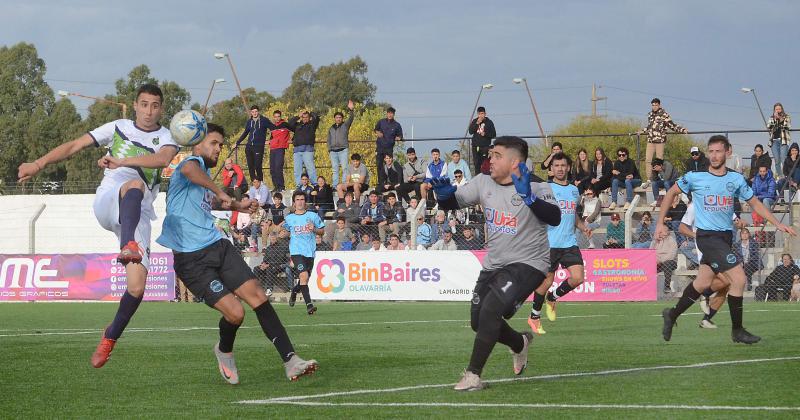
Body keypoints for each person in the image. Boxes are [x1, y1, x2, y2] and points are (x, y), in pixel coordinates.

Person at [17, 83, 178, 369]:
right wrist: (38, 164)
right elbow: (74, 145)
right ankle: (128, 244)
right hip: (109, 200)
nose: (149, 111)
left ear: (161, 109)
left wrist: (121, 160)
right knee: (134, 183)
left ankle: (110, 337)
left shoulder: (167, 136)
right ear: (136, 105)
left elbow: (163, 159)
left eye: (155, 105)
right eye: (144, 104)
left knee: (137, 287)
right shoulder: (118, 126)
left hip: (139, 213)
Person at [156, 123, 318, 383]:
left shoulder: (202, 178)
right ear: (197, 143)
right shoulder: (189, 166)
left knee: (257, 297)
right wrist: (220, 191)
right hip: (190, 259)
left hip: (217, 246)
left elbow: (217, 201)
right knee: (235, 313)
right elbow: (190, 169)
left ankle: (291, 360)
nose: (219, 149)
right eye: (214, 143)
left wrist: (240, 206)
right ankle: (224, 350)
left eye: (221, 144)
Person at [430, 135, 560, 391]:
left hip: (529, 263)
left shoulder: (536, 186)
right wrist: (442, 195)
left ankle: (473, 375)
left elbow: (554, 217)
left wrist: (529, 199)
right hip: (494, 263)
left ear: (515, 162)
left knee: (491, 311)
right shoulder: (483, 182)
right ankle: (520, 343)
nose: (490, 160)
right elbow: (452, 201)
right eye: (491, 155)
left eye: (497, 156)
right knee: (479, 322)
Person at [657, 135, 796, 345]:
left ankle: (672, 314)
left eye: (718, 151)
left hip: (724, 238)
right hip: (706, 237)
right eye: (710, 151)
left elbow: (756, 203)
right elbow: (671, 193)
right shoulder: (696, 177)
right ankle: (737, 330)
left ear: (727, 152)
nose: (713, 156)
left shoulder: (736, 180)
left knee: (703, 282)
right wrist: (660, 223)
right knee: (738, 279)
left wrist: (776, 223)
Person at [526, 152, 591, 335]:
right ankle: (534, 317)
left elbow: (573, 215)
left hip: (569, 242)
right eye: (556, 166)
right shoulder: (545, 188)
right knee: (547, 281)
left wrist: (582, 226)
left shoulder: (573, 190)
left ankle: (553, 297)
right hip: (549, 243)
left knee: (578, 278)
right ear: (551, 169)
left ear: (568, 167)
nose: (560, 168)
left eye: (563, 165)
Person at [284, 191, 326, 314]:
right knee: (304, 276)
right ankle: (309, 305)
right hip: (296, 252)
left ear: (305, 202)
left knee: (304, 280)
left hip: (310, 252)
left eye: (302, 199)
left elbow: (322, 231)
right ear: (294, 202)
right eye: (297, 200)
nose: (300, 202)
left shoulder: (312, 216)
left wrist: (315, 229)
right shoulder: (289, 218)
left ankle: (294, 291)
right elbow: (285, 231)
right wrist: (281, 233)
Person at [637, 97, 688, 187]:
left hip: (660, 141)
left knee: (659, 161)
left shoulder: (664, 114)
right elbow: (650, 127)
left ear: (659, 105)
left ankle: (660, 180)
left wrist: (682, 129)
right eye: (652, 105)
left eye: (656, 105)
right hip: (650, 140)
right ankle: (649, 179)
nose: (654, 107)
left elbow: (672, 125)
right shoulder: (650, 114)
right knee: (648, 160)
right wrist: (642, 131)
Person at [237, 105, 272, 182]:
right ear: (251, 113)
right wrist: (237, 142)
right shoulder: (249, 121)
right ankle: (254, 183)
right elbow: (245, 133)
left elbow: (273, 129)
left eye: (256, 111)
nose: (254, 113)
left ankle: (261, 183)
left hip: (258, 146)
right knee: (250, 166)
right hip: (249, 147)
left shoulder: (264, 120)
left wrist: (270, 140)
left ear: (258, 111)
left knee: (258, 166)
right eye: (253, 112)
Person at [286, 110, 320, 187]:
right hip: (297, 150)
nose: (305, 119)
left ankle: (315, 185)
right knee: (297, 170)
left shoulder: (312, 125)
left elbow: (317, 118)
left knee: (310, 168)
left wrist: (311, 112)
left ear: (309, 118)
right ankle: (299, 186)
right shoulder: (297, 125)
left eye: (306, 117)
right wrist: (298, 116)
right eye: (303, 117)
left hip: (307, 150)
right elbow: (289, 124)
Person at [327, 100, 355, 188]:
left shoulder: (345, 125)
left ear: (342, 118)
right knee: (335, 169)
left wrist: (351, 110)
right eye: (337, 117)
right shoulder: (331, 128)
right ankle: (335, 186)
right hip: (333, 151)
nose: (338, 119)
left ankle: (344, 184)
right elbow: (328, 139)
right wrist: (329, 149)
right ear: (334, 118)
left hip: (343, 150)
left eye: (340, 117)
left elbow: (351, 118)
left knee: (345, 168)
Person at [268, 110, 292, 193]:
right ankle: (276, 186)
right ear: (273, 117)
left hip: (280, 148)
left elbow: (295, 130)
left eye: (278, 116)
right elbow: (272, 137)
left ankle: (281, 186)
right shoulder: (272, 126)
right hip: (272, 148)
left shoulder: (285, 124)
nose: (277, 118)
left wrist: (292, 140)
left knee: (278, 167)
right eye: (275, 117)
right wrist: (269, 141)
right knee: (272, 169)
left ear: (280, 117)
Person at [374, 106, 403, 174]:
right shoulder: (381, 122)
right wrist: (378, 132)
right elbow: (375, 129)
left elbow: (400, 135)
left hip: (389, 149)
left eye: (392, 113)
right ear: (386, 114)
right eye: (389, 113)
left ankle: (389, 182)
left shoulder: (397, 125)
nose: (390, 115)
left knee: (389, 165)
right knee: (379, 165)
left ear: (394, 114)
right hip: (380, 148)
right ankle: (380, 183)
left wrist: (399, 138)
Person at [468, 106, 496, 175]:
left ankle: (485, 178)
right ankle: (477, 179)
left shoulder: (489, 122)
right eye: (480, 114)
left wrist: (485, 134)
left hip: (485, 147)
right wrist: (477, 123)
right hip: (475, 146)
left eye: (482, 113)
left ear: (485, 114)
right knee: (476, 164)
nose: (481, 115)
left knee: (485, 164)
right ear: (477, 114)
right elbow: (470, 131)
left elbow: (493, 134)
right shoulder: (475, 121)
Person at [767, 103, 791, 176]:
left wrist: (780, 119)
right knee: (777, 160)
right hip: (774, 141)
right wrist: (775, 119)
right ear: (774, 110)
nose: (778, 110)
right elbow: (768, 127)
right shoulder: (771, 117)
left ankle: (786, 176)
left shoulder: (787, 116)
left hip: (783, 140)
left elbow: (788, 126)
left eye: (779, 109)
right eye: (776, 109)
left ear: (782, 109)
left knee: (783, 159)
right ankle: (781, 176)